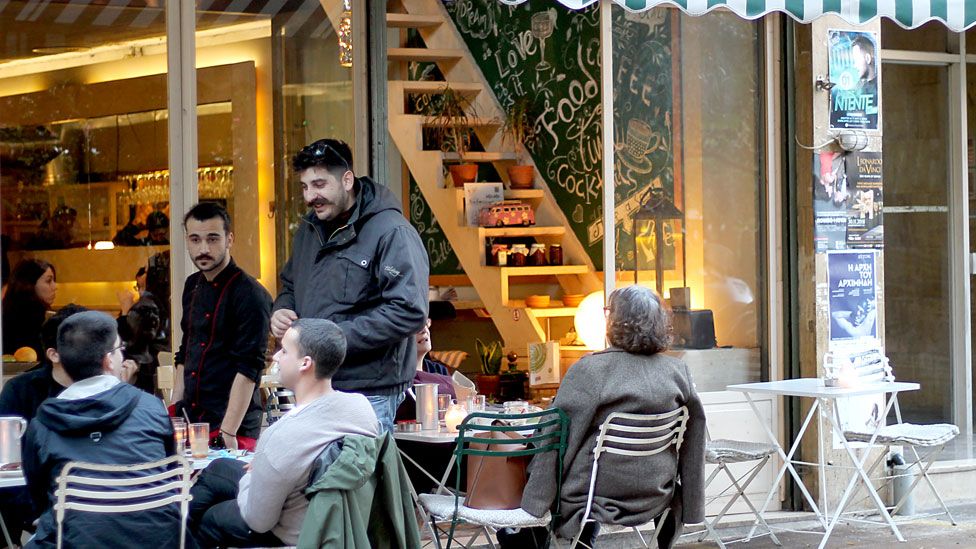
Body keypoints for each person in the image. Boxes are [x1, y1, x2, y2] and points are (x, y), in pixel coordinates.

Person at [499, 285, 706, 549]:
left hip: (595, 496)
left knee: (542, 448)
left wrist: (534, 506)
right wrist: (693, 504)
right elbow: (696, 437)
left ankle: (529, 537)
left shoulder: (591, 371)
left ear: (616, 321)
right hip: (655, 493)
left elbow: (555, 436)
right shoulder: (678, 373)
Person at [271, 138, 429, 432]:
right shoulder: (308, 230)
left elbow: (408, 310)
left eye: (319, 184)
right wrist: (281, 310)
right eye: (304, 187)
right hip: (315, 386)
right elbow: (290, 286)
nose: (310, 196)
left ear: (346, 180)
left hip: (369, 391)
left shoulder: (392, 231)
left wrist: (331, 339)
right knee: (322, 477)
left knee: (355, 477)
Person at [188, 318, 379, 548]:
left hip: (297, 532)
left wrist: (256, 470)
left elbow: (257, 521)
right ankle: (174, 530)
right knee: (217, 469)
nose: (276, 356)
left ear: (305, 363)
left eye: (285, 351)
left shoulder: (281, 436)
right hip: (333, 517)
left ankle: (169, 535)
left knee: (211, 517)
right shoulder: (361, 407)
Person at [21, 311, 178, 548]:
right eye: (119, 348)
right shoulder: (151, 407)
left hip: (75, 540)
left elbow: (39, 494)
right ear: (108, 360)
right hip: (158, 539)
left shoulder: (43, 424)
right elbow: (169, 470)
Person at [174, 202, 272, 452]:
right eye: (195, 240)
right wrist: (175, 411)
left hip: (232, 428)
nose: (203, 248)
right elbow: (186, 350)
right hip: (192, 422)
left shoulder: (251, 294)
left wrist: (227, 433)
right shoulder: (191, 284)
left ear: (230, 239)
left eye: (213, 239)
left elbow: (250, 368)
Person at [1, 259, 56, 356]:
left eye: (54, 281)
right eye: (48, 281)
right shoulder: (34, 316)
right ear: (29, 284)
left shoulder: (7, 311)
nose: (55, 286)